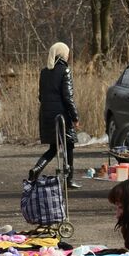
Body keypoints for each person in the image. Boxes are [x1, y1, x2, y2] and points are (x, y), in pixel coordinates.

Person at [29, 42, 79, 183]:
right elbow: (68, 97)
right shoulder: (65, 71)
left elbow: (41, 96)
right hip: (62, 116)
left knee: (53, 148)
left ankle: (37, 169)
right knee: (68, 146)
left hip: (46, 114)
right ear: (63, 55)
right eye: (67, 53)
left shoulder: (44, 72)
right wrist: (75, 117)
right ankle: (68, 179)